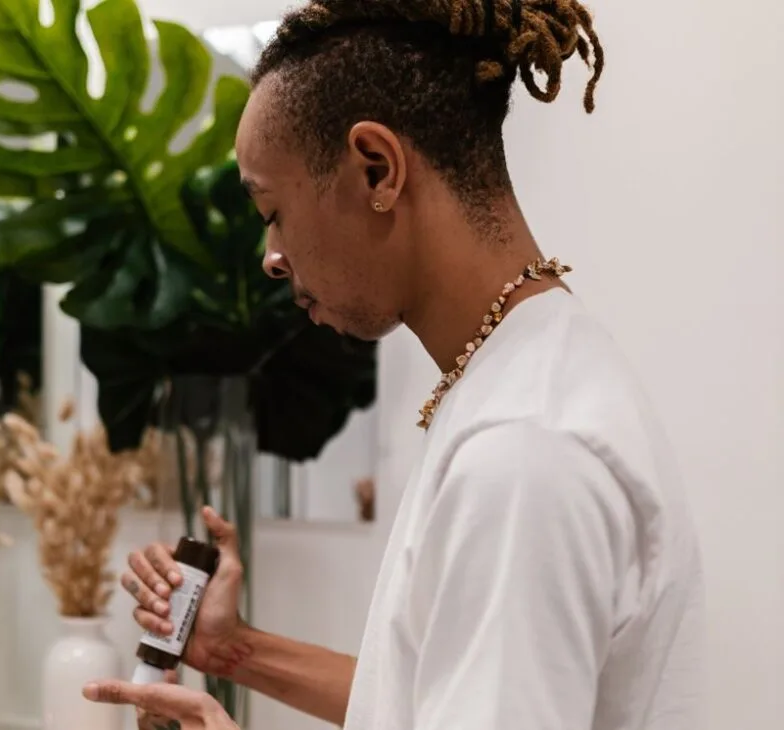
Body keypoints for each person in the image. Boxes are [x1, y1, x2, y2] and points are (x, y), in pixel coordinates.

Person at [83, 1, 706, 728]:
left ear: (376, 169)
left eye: (272, 212)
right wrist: (236, 650)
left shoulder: (522, 450)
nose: (271, 257)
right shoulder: (526, 373)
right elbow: (423, 694)